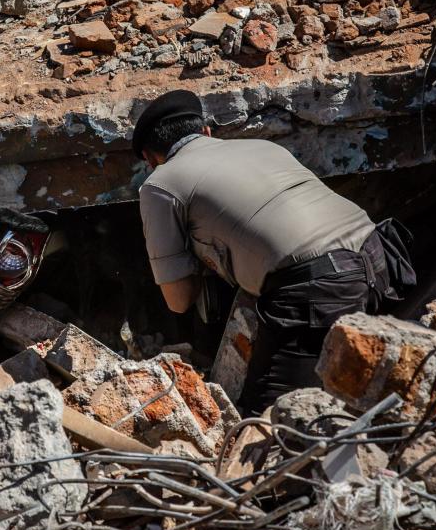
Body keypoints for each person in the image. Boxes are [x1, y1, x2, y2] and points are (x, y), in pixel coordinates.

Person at [133, 90, 414, 412]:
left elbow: (178, 300)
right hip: (382, 257)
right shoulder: (262, 146)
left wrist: (198, 261)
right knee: (370, 397)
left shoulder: (159, 184)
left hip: (318, 287)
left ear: (149, 158)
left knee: (272, 422)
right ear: (206, 131)